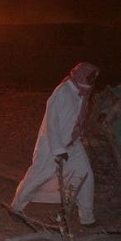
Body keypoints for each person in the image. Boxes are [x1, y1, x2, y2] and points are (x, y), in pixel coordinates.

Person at [10, 62, 99, 226]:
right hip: (52, 145)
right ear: (81, 75)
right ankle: (16, 207)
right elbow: (51, 122)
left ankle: (87, 218)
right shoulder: (63, 91)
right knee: (38, 175)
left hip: (73, 144)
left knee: (85, 175)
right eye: (91, 76)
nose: (93, 79)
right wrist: (58, 149)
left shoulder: (81, 92)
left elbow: (75, 120)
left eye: (95, 77)